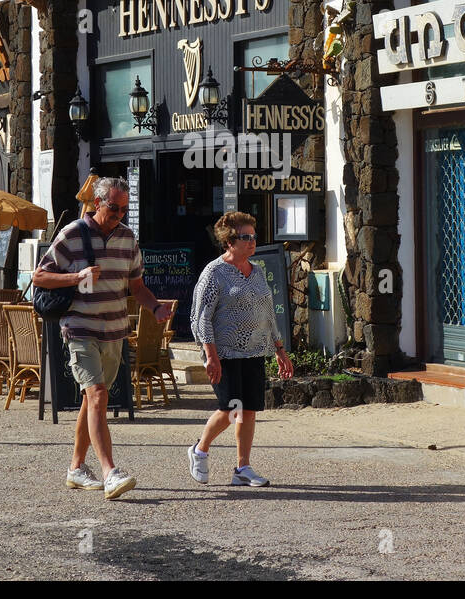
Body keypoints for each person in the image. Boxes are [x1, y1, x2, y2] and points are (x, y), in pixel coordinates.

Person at [33, 176, 171, 501]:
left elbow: (136, 286)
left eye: (124, 209)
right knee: (96, 395)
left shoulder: (128, 239)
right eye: (113, 208)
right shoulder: (71, 234)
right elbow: (39, 276)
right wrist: (75, 277)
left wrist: (154, 307)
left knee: (92, 398)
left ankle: (76, 468)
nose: (119, 214)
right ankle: (110, 472)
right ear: (98, 203)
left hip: (114, 330)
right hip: (79, 328)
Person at [187, 211, 293, 487]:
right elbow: (201, 318)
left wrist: (279, 349)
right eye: (245, 237)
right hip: (225, 353)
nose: (252, 241)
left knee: (249, 410)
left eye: (253, 236)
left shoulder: (256, 271)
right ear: (229, 241)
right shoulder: (214, 273)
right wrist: (210, 355)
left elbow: (268, 312)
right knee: (231, 409)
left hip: (255, 351)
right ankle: (200, 449)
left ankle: (243, 468)